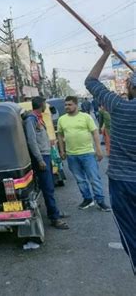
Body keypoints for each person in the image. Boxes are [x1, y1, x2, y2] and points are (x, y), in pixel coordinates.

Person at [85, 35, 136, 275]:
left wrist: (107, 52)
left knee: (131, 234)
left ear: (129, 88)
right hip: (124, 181)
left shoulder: (119, 106)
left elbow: (91, 81)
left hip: (123, 184)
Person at [57, 96, 111, 212]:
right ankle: (87, 199)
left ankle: (100, 201)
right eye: (66, 105)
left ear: (76, 105)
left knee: (94, 178)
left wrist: (98, 149)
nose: (67, 107)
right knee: (80, 179)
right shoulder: (62, 119)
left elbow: (95, 133)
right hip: (71, 155)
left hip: (87, 153)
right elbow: (60, 136)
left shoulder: (86, 117)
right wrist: (62, 151)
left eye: (70, 104)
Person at [23, 97, 69, 229]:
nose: (45, 107)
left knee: (50, 187)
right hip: (42, 157)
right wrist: (40, 159)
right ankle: (54, 218)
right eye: (44, 104)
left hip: (46, 155)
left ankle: (55, 212)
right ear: (41, 105)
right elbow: (31, 141)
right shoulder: (31, 120)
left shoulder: (38, 118)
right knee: (48, 188)